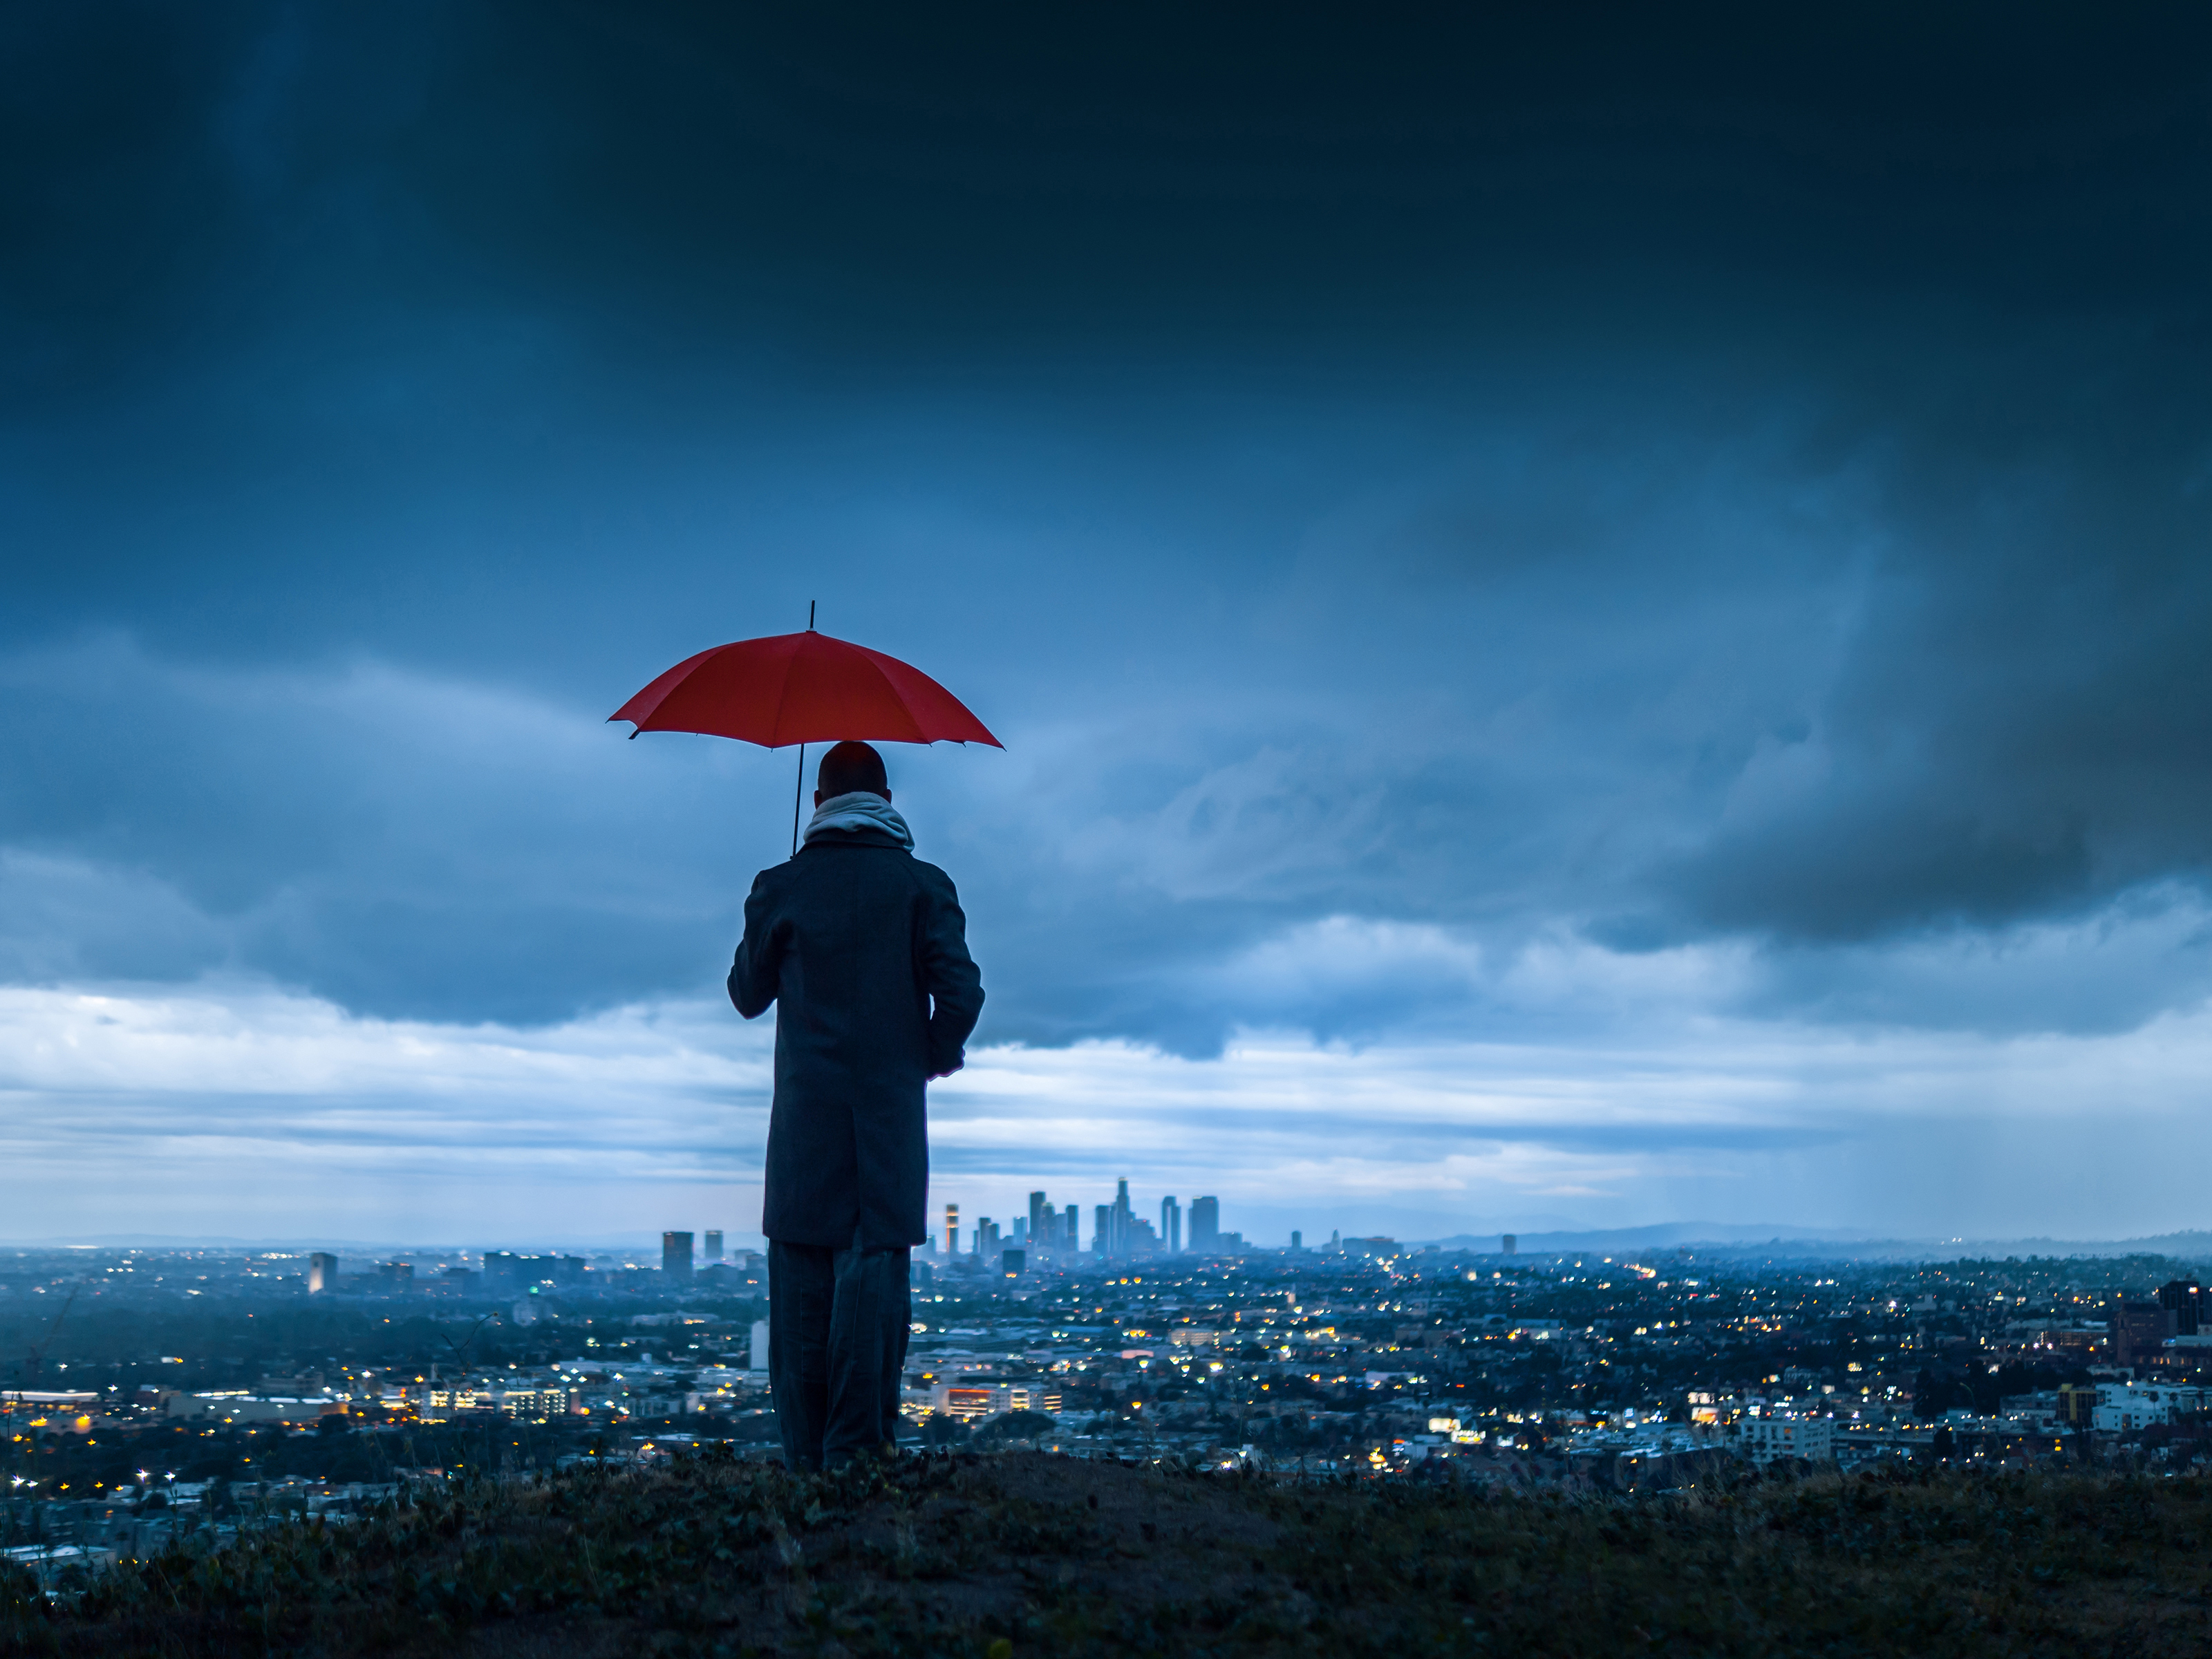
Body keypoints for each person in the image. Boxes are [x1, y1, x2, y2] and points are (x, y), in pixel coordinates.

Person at [727, 740, 984, 1470]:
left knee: (800, 1294)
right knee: (870, 1291)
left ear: (816, 806)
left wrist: (770, 908)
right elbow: (962, 993)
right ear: (888, 805)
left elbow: (746, 995)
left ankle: (805, 1464)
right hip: (885, 1128)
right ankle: (859, 1459)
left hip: (804, 1129)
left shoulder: (781, 885)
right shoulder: (921, 886)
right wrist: (928, 1055)